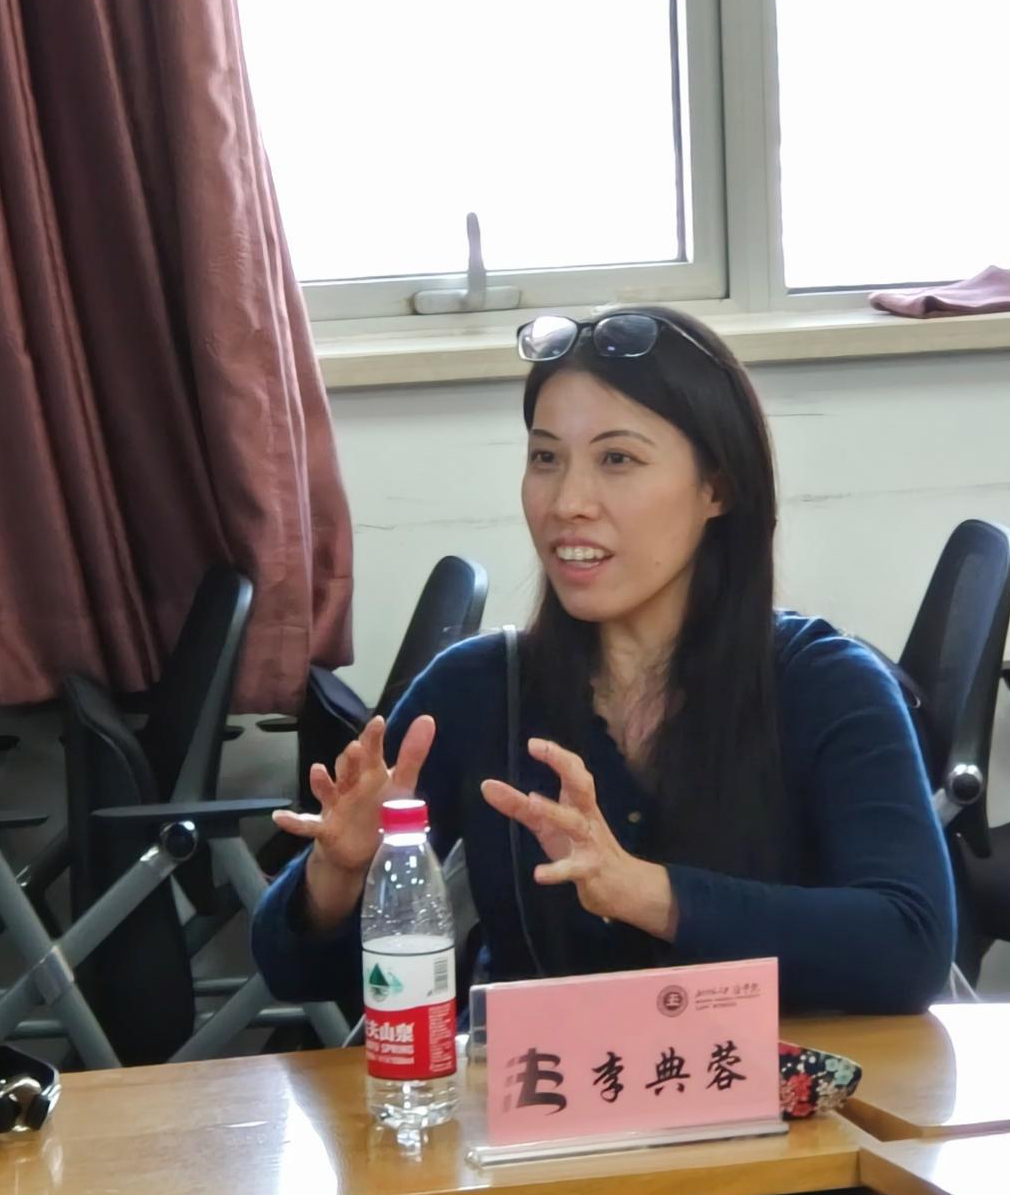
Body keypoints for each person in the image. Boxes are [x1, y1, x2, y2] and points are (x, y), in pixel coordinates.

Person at [252, 306, 955, 1015]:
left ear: (718, 487)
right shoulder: (475, 690)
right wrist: (339, 874)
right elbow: (296, 974)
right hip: (542, 1085)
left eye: (617, 459)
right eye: (545, 458)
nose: (568, 502)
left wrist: (642, 891)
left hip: (777, 1082)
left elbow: (910, 944)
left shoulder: (829, 685)